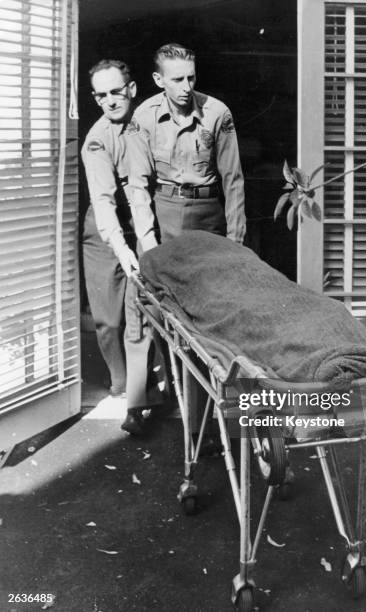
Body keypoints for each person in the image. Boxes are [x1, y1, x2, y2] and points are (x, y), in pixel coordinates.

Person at [81, 58, 161, 435]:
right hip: (104, 227)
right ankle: (121, 384)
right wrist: (124, 250)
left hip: (141, 220)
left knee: (140, 314)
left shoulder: (146, 122)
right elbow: (103, 202)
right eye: (101, 95)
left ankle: (140, 398)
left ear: (131, 89)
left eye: (116, 91)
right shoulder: (97, 139)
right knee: (108, 319)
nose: (110, 100)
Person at [126, 43, 246, 244]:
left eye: (191, 78)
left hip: (208, 215)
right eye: (177, 79)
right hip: (164, 214)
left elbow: (233, 180)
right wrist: (148, 242)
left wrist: (236, 239)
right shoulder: (144, 116)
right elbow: (138, 185)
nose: (186, 87)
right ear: (159, 80)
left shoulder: (217, 113)